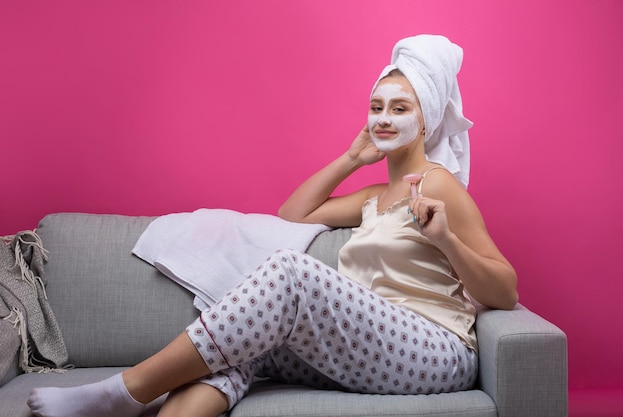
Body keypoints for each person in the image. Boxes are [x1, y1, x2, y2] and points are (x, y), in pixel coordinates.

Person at [27, 34, 518, 417]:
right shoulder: (374, 197)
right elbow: (292, 215)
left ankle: (125, 391)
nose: (383, 119)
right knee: (246, 343)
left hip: (433, 352)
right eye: (376, 107)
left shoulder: (437, 185)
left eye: (400, 108)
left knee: (290, 271)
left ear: (427, 119)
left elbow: (506, 291)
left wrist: (446, 239)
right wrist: (351, 157)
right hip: (372, 348)